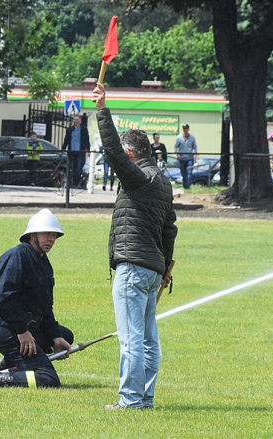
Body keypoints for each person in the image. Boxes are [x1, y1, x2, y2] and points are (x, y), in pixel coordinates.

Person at [92, 83, 177, 410]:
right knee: (148, 341)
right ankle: (145, 399)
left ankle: (129, 401)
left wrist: (102, 109)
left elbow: (112, 150)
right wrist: (166, 268)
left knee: (131, 341)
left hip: (133, 270)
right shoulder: (163, 182)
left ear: (131, 156)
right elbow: (170, 229)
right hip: (154, 270)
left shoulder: (138, 179)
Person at [0, 209, 74, 388]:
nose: (51, 239)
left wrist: (56, 336)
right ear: (32, 235)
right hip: (10, 331)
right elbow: (2, 298)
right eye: (47, 234)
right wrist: (22, 332)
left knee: (65, 336)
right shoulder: (16, 257)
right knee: (48, 379)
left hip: (30, 327)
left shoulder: (43, 262)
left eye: (54, 235)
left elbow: (45, 307)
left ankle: (10, 362)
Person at [62, 115, 90, 188]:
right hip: (72, 151)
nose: (76, 121)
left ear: (80, 121)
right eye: (75, 119)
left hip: (80, 151)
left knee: (79, 167)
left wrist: (89, 150)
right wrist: (63, 149)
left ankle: (78, 183)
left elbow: (87, 141)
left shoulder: (84, 129)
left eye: (77, 119)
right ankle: (74, 183)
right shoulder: (70, 129)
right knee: (73, 167)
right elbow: (66, 140)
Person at [174, 124, 197, 189]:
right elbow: (175, 147)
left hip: (190, 158)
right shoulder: (179, 138)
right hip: (182, 158)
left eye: (186, 128)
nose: (185, 130)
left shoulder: (192, 138)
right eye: (183, 128)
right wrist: (177, 154)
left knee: (189, 173)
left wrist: (195, 156)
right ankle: (185, 185)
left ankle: (188, 187)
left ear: (188, 129)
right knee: (183, 174)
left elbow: (195, 147)